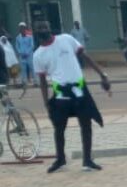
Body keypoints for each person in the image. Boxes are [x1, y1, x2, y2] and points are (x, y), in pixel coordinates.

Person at [32, 20, 111, 173]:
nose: (43, 29)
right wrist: (46, 101)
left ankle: (87, 160)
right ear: (36, 32)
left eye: (46, 26)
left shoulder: (66, 39)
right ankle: (60, 159)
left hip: (80, 90)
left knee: (86, 125)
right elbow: (42, 81)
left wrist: (102, 75)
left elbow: (85, 57)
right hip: (61, 95)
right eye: (40, 27)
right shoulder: (38, 55)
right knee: (59, 128)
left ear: (50, 28)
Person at [15, 23, 35, 87]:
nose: (22, 29)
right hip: (22, 56)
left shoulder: (30, 37)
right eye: (20, 28)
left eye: (23, 27)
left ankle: (36, 81)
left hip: (29, 55)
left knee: (32, 68)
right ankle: (24, 82)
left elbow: (32, 46)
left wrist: (27, 53)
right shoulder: (18, 38)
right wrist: (20, 52)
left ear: (25, 28)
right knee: (23, 69)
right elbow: (17, 46)